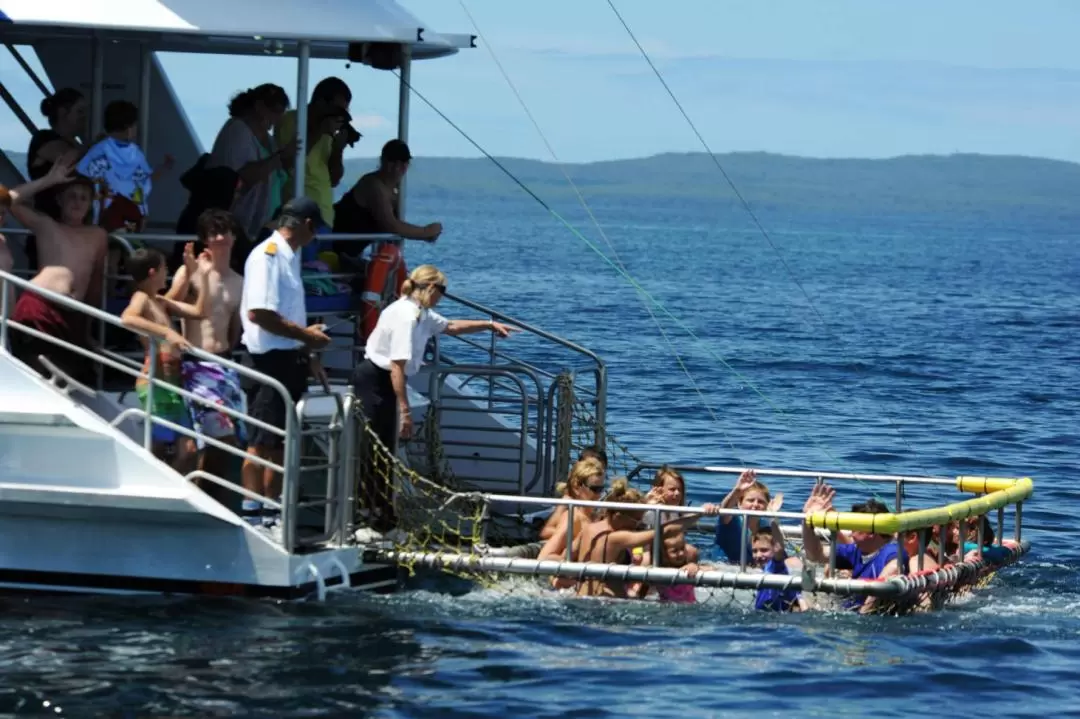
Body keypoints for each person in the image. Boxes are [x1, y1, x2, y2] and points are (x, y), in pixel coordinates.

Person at [353, 264, 515, 540]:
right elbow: (397, 367)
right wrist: (405, 410)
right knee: (373, 451)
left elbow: (450, 326)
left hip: (386, 382)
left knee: (384, 452)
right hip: (376, 382)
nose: (443, 296)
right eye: (442, 291)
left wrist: (487, 325)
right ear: (429, 288)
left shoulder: (421, 313)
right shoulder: (405, 316)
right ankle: (366, 522)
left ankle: (382, 520)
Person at [239, 196, 330, 533]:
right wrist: (306, 336)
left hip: (289, 359)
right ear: (307, 225)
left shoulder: (289, 258)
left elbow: (289, 317)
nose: (314, 237)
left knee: (279, 442)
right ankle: (252, 512)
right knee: (260, 441)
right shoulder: (268, 257)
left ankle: (272, 513)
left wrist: (309, 351)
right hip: (267, 362)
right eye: (315, 230)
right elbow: (260, 314)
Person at [4, 159, 106, 386]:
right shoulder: (46, 224)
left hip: (74, 316)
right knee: (35, 377)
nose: (77, 202)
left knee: (73, 381)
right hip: (39, 308)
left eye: (83, 197)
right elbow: (8, 200)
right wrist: (49, 180)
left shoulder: (98, 236)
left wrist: (88, 329)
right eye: (71, 195)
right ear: (59, 200)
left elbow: (95, 285)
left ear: (91, 204)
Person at [166, 209, 247, 486]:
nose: (221, 237)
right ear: (205, 240)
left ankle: (209, 498)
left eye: (225, 231)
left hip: (224, 362)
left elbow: (235, 328)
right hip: (195, 361)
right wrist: (189, 272)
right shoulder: (193, 271)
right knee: (203, 441)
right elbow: (167, 303)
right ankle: (181, 494)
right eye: (214, 233)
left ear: (235, 236)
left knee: (226, 442)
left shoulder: (239, 281)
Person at [120, 247, 207, 470]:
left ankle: (173, 488)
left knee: (187, 449)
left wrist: (199, 275)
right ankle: (153, 485)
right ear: (153, 272)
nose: (166, 272)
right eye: (164, 268)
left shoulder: (160, 301)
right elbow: (128, 318)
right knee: (159, 448)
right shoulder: (141, 298)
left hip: (172, 384)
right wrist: (167, 332)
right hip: (155, 383)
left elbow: (199, 311)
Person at [800, 485, 907, 614]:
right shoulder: (856, 550)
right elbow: (816, 554)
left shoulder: (891, 550)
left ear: (870, 532)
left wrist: (865, 610)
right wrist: (807, 521)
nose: (850, 534)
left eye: (854, 529)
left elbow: (895, 567)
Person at [208, 84, 293, 241]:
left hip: (264, 227)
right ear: (259, 106)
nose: (278, 118)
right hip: (238, 226)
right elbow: (240, 178)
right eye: (275, 111)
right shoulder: (237, 131)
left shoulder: (269, 140)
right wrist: (278, 159)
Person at [332, 140, 442, 256]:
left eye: (403, 162)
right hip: (332, 242)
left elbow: (394, 224)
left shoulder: (395, 188)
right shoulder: (373, 185)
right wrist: (426, 232)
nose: (397, 167)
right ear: (382, 160)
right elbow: (391, 225)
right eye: (392, 161)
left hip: (350, 249)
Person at [78, 100, 173, 232]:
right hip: (125, 214)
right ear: (129, 128)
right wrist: (164, 168)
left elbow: (83, 176)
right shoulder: (135, 153)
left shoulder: (97, 151)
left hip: (103, 215)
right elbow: (145, 179)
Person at [274, 77, 353, 232]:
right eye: (337, 109)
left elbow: (334, 180)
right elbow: (287, 163)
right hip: (297, 216)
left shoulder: (328, 131)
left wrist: (338, 149)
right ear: (321, 102)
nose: (339, 115)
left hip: (325, 217)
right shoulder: (290, 121)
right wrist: (319, 131)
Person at [24, 88, 87, 269]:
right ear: (63, 113)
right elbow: (67, 158)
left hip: (72, 227)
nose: (85, 117)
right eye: (80, 111)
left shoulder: (77, 145)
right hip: (48, 224)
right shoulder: (43, 139)